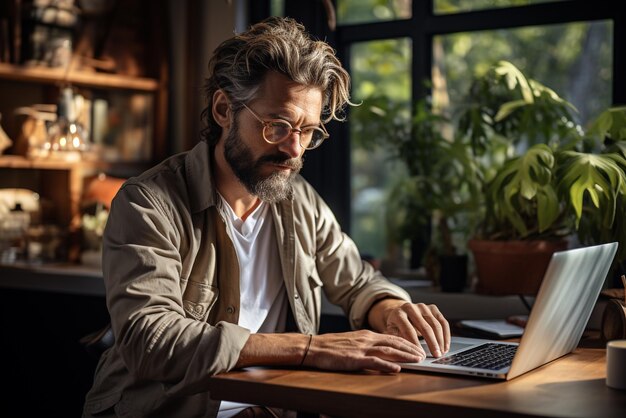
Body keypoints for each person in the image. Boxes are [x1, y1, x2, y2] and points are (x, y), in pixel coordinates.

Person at [83, 16, 450, 418]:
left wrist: (391, 308)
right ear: (224, 110)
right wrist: (312, 349)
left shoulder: (299, 200)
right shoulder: (149, 203)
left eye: (308, 131)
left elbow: (357, 280)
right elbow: (150, 339)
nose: (294, 149)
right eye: (277, 126)